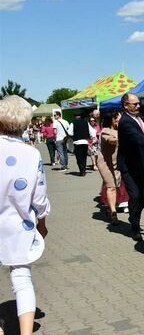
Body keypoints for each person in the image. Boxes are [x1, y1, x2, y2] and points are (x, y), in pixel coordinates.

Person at [0, 95, 51, 335]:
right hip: (19, 226)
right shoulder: (31, 154)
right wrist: (42, 222)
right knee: (22, 280)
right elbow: (38, 197)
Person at [118, 93, 144, 242]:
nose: (138, 106)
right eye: (134, 104)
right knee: (135, 195)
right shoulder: (125, 122)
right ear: (126, 105)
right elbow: (139, 139)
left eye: (138, 103)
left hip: (142, 165)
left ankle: (133, 215)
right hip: (128, 167)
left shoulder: (140, 118)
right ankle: (135, 227)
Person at [97, 111, 122, 225]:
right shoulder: (105, 131)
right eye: (116, 118)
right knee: (111, 187)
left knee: (115, 186)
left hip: (116, 163)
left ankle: (109, 207)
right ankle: (113, 213)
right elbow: (111, 141)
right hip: (105, 164)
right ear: (110, 119)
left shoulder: (119, 130)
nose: (118, 120)